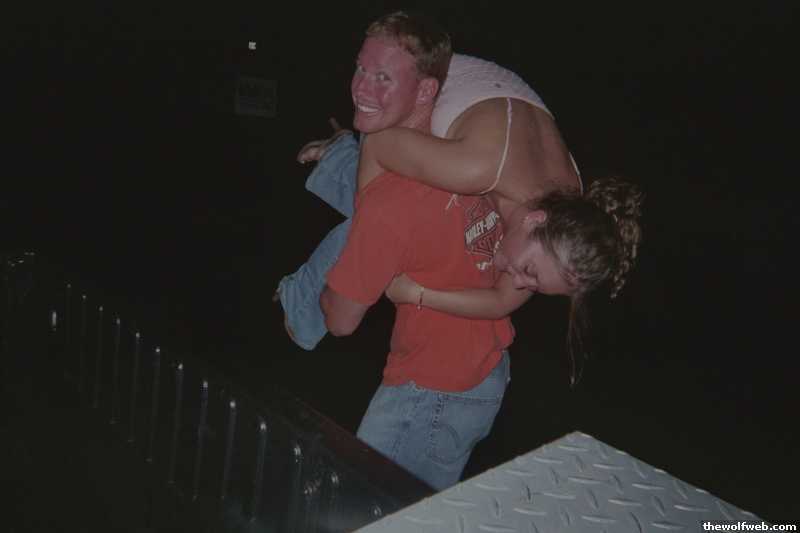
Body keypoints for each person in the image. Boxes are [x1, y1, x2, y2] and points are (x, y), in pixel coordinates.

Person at [277, 22, 580, 351]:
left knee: (415, 222)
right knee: (383, 219)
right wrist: (370, 233)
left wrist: (418, 293)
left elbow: (501, 301)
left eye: (534, 284)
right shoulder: (475, 169)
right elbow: (380, 145)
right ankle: (302, 304)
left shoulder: (569, 211)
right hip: (404, 105)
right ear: (535, 219)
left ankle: (338, 158)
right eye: (529, 273)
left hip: (482, 102)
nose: (520, 284)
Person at [319, 12, 514, 491]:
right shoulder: (469, 149)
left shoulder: (392, 204)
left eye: (383, 77)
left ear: (426, 91)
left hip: (431, 393)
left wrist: (328, 280)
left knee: (367, 510)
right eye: (361, 69)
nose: (361, 87)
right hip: (487, 371)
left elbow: (340, 320)